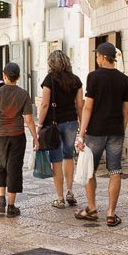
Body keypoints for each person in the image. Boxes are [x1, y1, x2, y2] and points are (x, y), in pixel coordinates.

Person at [74, 43, 128, 227]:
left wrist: (81, 133)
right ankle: (111, 213)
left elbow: (88, 106)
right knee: (115, 171)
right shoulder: (124, 79)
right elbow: (126, 111)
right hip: (115, 130)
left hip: (95, 131)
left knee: (90, 169)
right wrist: (120, 129)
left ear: (102, 57)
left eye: (97, 56)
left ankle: (92, 209)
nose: (96, 58)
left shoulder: (94, 77)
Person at [0, 62, 38, 218]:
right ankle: (11, 206)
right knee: (14, 168)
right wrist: (35, 137)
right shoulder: (23, 94)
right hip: (17, 136)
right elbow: (29, 119)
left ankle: (1, 201)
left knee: (1, 165)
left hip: (0, 135)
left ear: (4, 76)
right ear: (18, 77)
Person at [37, 50, 83, 209]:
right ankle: (70, 191)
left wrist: (40, 125)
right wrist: (83, 126)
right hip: (71, 123)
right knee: (69, 156)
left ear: (51, 63)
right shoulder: (76, 80)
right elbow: (80, 105)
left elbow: (44, 104)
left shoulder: (49, 80)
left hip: (54, 125)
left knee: (56, 159)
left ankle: (60, 198)